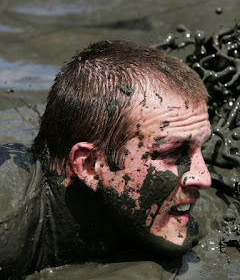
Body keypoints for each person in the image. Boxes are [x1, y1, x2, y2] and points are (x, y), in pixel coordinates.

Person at [0, 40, 212, 279]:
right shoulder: (8, 221)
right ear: (89, 165)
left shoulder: (176, 204)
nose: (204, 178)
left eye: (201, 147)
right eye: (172, 153)